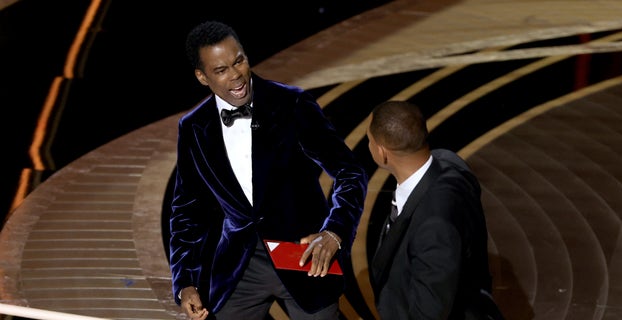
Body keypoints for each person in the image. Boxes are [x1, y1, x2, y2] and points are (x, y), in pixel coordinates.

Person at [168, 20, 368, 320]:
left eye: (239, 61)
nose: (236, 75)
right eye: (221, 70)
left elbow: (350, 173)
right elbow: (186, 212)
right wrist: (184, 282)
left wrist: (334, 233)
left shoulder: (292, 104)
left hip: (303, 259)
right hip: (240, 267)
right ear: (202, 76)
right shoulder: (194, 127)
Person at [366, 100, 504, 319]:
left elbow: (430, 311)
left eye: (369, 141)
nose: (368, 146)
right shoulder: (450, 161)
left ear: (383, 153)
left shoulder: (433, 227)